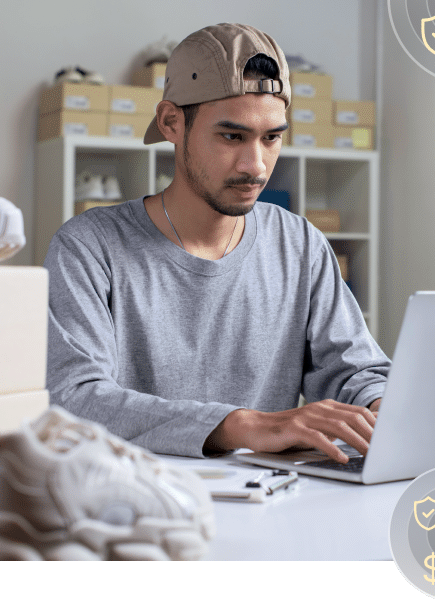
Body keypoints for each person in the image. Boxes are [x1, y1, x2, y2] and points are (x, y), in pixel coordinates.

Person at [45, 23, 390, 462]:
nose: (256, 166)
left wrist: (381, 407)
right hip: (135, 503)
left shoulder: (300, 244)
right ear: (172, 122)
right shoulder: (88, 248)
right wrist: (242, 425)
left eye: (272, 138)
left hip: (270, 500)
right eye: (232, 136)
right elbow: (75, 400)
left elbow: (354, 371)